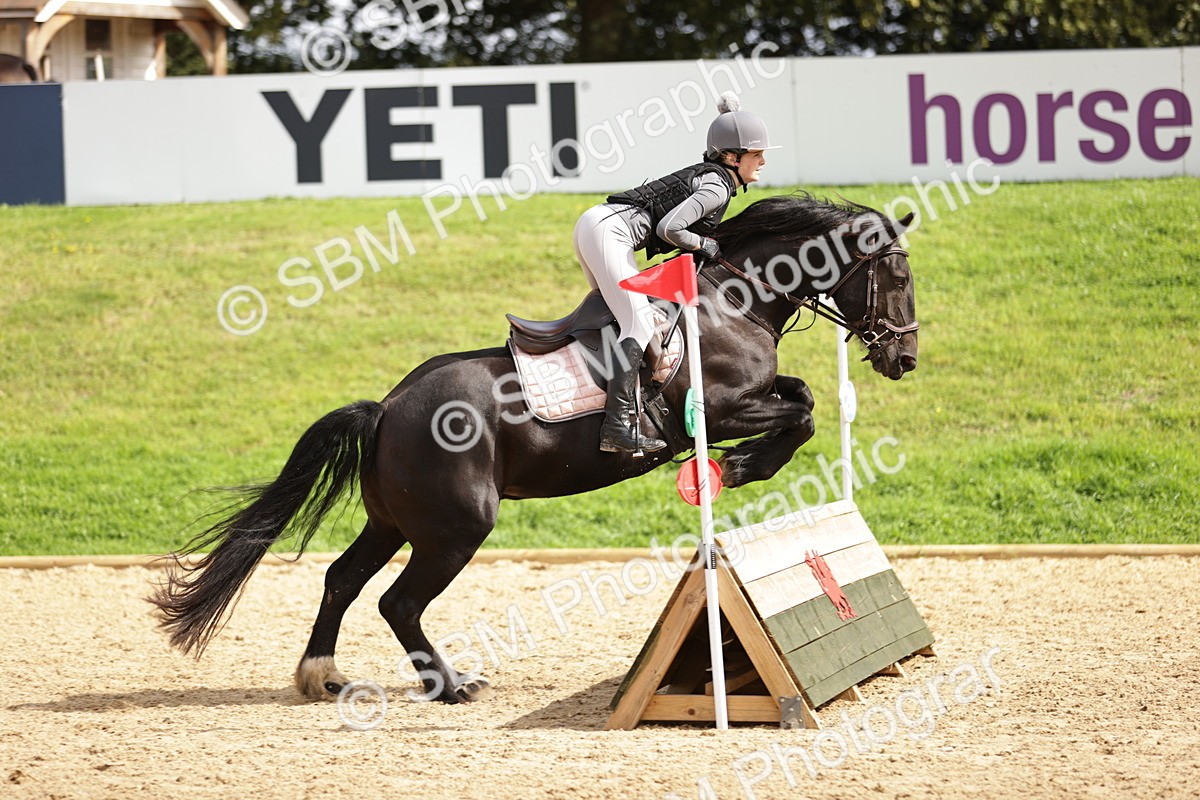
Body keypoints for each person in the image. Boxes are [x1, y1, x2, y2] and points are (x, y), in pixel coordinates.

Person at [573, 91, 779, 454]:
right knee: (640, 324)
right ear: (732, 157)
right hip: (611, 231)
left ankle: (604, 407)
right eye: (756, 154)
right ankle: (616, 426)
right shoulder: (717, 187)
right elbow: (670, 228)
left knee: (626, 319)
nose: (762, 161)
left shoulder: (716, 178)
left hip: (598, 226)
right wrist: (707, 246)